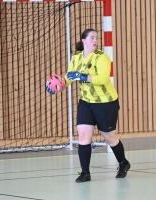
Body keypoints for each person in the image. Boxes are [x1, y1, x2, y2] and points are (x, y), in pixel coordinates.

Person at [46, 28, 130, 183]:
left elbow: (104, 79)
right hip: (86, 101)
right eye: (91, 38)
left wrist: (82, 75)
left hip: (106, 102)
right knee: (84, 136)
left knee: (109, 138)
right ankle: (85, 173)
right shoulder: (76, 58)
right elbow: (70, 77)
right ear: (83, 41)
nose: (95, 41)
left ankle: (124, 163)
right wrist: (59, 83)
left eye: (96, 38)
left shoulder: (102, 57)